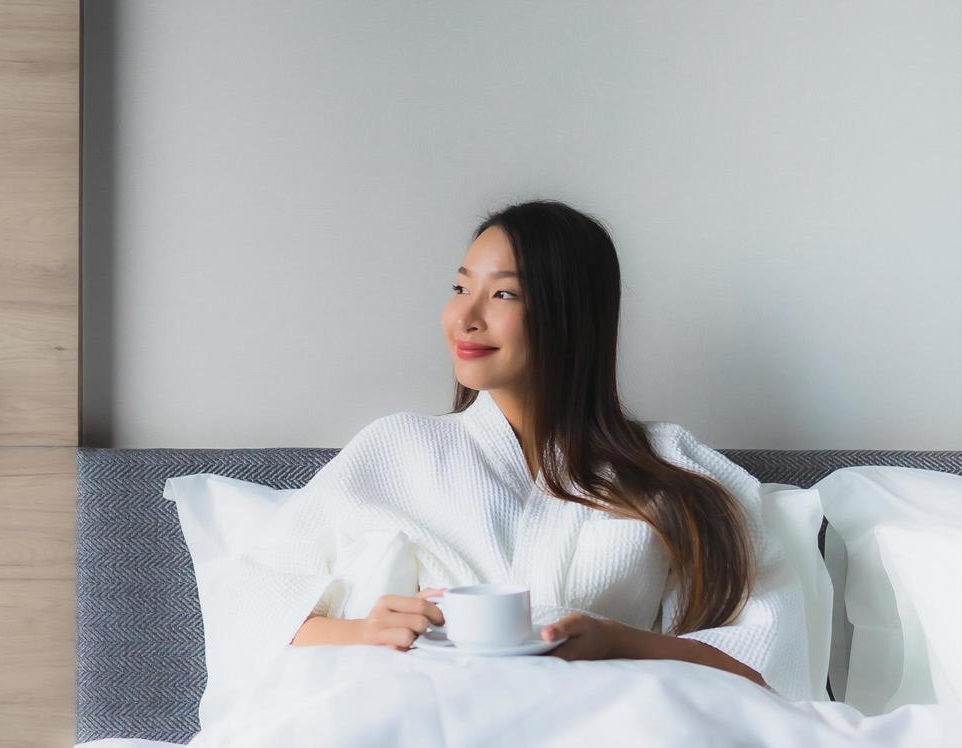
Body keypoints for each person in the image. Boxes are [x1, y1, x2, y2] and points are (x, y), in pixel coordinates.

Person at [259, 199, 808, 699]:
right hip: (436, 714)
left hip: (617, 724)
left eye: (504, 294)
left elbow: (766, 663)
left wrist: (616, 641)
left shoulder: (671, 465)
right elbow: (258, 605)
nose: (466, 317)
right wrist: (363, 631)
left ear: (571, 314)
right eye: (459, 288)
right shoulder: (396, 450)